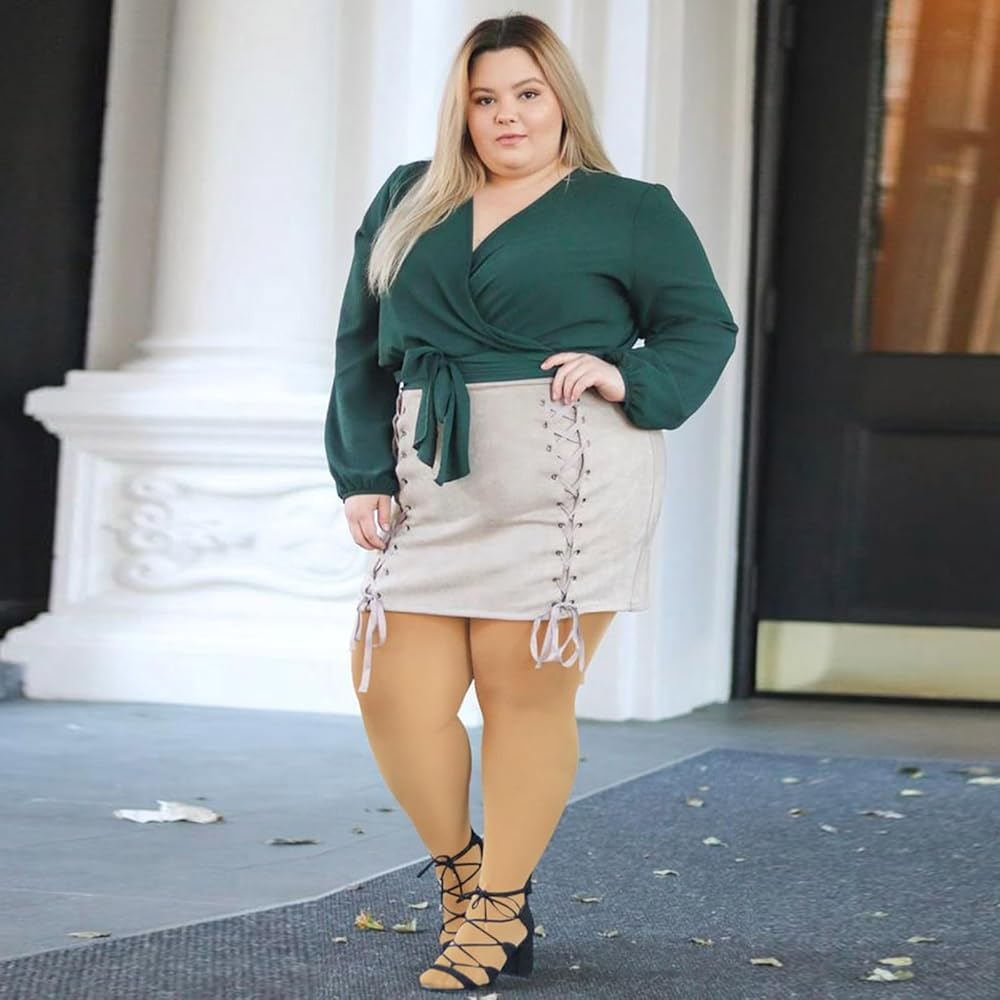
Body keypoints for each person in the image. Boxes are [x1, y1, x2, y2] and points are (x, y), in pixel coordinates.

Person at [323, 12, 738, 992]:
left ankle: (498, 906)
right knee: (393, 689)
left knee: (524, 693)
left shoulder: (628, 209)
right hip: (433, 476)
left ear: (560, 100)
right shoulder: (408, 197)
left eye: (526, 94)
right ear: (459, 109)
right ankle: (465, 877)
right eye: (484, 98)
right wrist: (363, 473)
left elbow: (700, 328)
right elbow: (359, 345)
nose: (506, 115)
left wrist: (626, 373)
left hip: (571, 478)